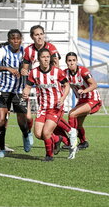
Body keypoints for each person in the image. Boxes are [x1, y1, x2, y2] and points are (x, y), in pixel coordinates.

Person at [21, 25, 77, 154]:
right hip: (40, 92)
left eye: (41, 34)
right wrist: (24, 72)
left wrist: (50, 78)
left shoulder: (51, 48)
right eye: (36, 34)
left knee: (49, 125)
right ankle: (59, 138)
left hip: (54, 92)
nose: (39, 37)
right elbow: (24, 69)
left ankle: (67, 136)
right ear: (32, 37)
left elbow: (56, 67)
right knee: (40, 132)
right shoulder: (29, 50)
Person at [0, 29, 33, 158]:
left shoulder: (25, 52)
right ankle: (2, 149)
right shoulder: (3, 50)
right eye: (13, 38)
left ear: (21, 40)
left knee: (22, 120)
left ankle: (26, 134)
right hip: (4, 90)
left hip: (19, 91)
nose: (15, 41)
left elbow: (29, 67)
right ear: (9, 40)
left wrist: (24, 71)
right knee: (1, 120)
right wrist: (8, 68)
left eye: (18, 38)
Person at [64, 52, 102, 149]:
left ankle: (71, 143)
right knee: (78, 124)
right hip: (82, 100)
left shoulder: (83, 71)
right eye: (69, 61)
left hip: (92, 99)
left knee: (72, 114)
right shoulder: (65, 73)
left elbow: (94, 85)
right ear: (66, 62)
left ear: (77, 61)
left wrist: (84, 90)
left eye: (73, 60)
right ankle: (83, 142)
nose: (72, 63)